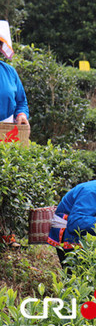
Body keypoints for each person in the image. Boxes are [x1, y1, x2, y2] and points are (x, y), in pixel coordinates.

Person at [0, 20, 30, 248]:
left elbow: (21, 101)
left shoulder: (9, 72)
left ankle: (6, 234)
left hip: (7, 133)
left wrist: (21, 115)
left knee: (7, 184)